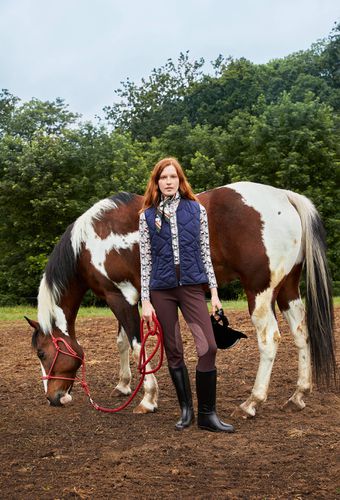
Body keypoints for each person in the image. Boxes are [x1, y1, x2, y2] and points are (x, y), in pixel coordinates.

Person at [139, 157, 234, 433]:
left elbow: (206, 254)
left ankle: (207, 414)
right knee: (174, 350)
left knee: (208, 347)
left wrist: (214, 292)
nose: (168, 182)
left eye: (173, 177)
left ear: (180, 180)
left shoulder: (197, 210)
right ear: (156, 182)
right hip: (161, 291)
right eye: (163, 178)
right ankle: (186, 410)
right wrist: (145, 301)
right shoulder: (146, 217)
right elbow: (145, 261)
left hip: (192, 288)